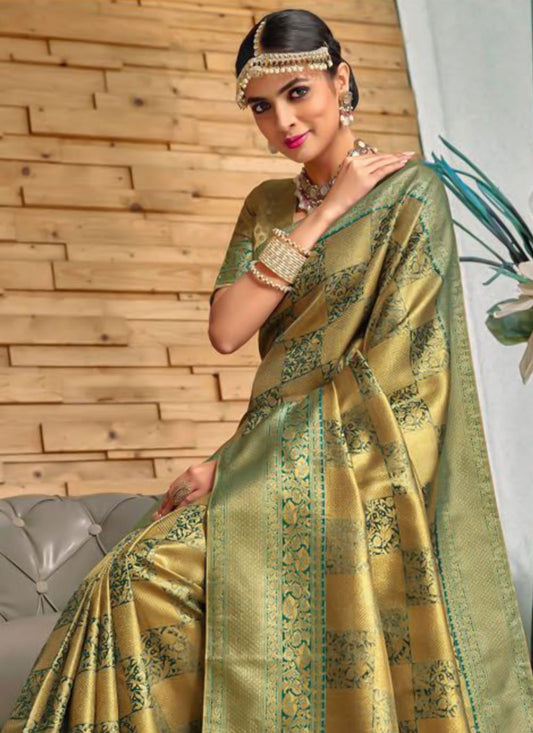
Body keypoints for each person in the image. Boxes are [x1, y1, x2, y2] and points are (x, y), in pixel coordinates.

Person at [3, 9, 533, 732]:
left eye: (298, 93)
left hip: (354, 473)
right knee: (125, 577)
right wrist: (323, 212)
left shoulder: (412, 194)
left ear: (341, 80)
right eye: (260, 106)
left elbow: (400, 380)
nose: (283, 121)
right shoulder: (267, 205)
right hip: (266, 457)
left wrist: (235, 468)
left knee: (146, 577)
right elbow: (227, 330)